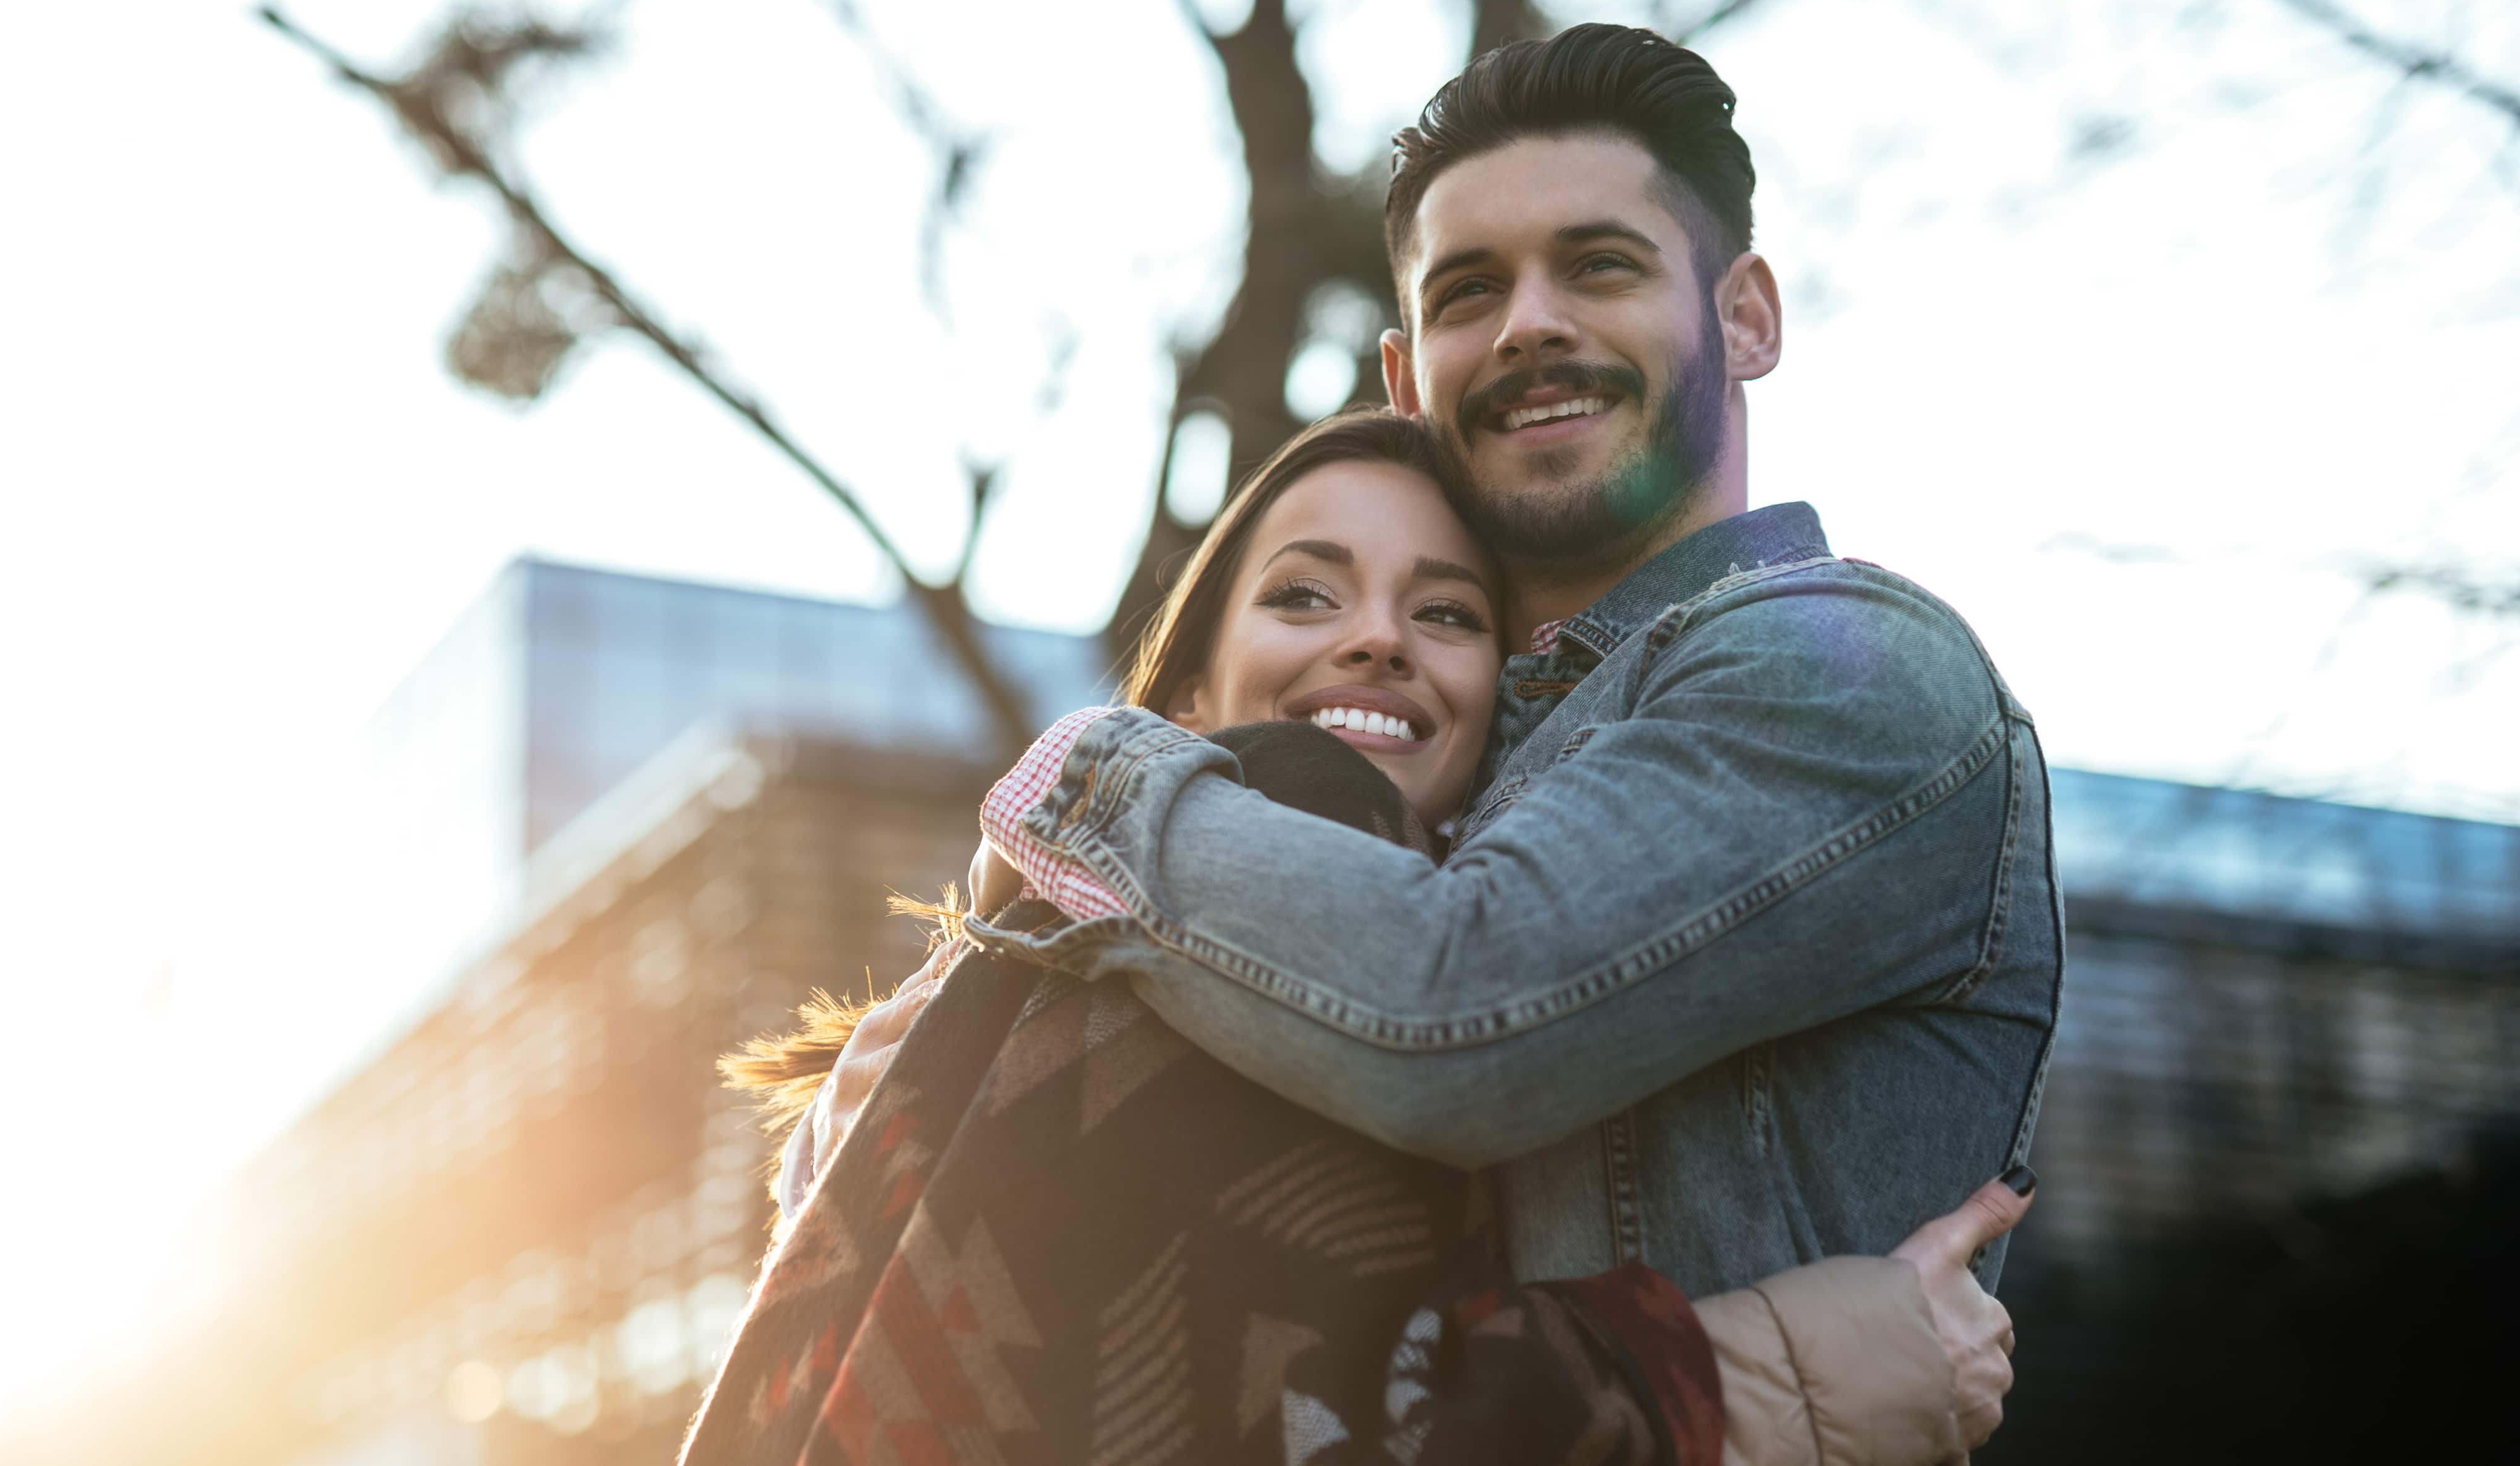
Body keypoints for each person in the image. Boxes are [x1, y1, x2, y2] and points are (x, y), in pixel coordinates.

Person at [929, 24, 2061, 1307]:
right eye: (1469, 290)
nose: (1528, 323)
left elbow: (1449, 1018)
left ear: (1743, 318)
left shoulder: (1848, 669)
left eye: (1598, 264)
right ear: (1407, 377)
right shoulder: (1440, 758)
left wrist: (1080, 789)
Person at [699, 412, 2023, 1466]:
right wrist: (1812, 1367)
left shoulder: (983, 998)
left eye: (1445, 614)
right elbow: (1345, 1416)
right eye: (1303, 594)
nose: (1377, 636)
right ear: (1193, 691)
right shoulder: (1282, 814)